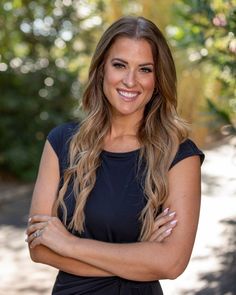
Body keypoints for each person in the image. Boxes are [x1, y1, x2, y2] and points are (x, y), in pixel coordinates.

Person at [26, 16, 205, 294]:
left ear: (158, 80)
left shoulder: (179, 155)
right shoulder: (61, 142)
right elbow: (39, 248)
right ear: (101, 70)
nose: (130, 81)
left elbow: (171, 263)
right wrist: (141, 257)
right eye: (120, 65)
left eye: (145, 69)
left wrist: (70, 245)